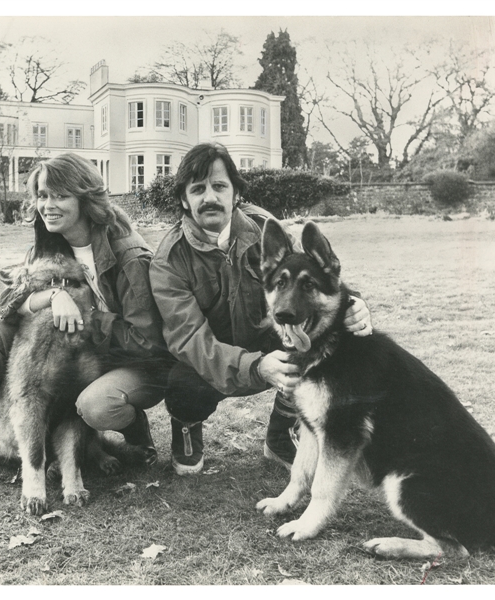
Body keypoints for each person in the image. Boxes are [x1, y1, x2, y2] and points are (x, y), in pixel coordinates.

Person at [0, 153, 170, 479]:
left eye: (61, 195)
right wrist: (54, 296)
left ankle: (129, 426)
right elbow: (7, 303)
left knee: (95, 405)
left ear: (86, 199)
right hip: (81, 348)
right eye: (42, 195)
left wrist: (86, 316)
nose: (48, 205)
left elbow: (145, 341)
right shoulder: (49, 240)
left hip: (127, 358)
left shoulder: (128, 254)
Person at [149, 143, 372, 476]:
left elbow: (311, 276)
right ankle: (187, 428)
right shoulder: (168, 261)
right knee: (183, 382)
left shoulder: (263, 227)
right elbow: (191, 340)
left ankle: (281, 434)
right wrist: (255, 366)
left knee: (326, 341)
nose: (209, 197)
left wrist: (354, 304)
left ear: (236, 192)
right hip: (209, 359)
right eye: (197, 189)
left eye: (219, 186)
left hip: (266, 339)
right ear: (184, 199)